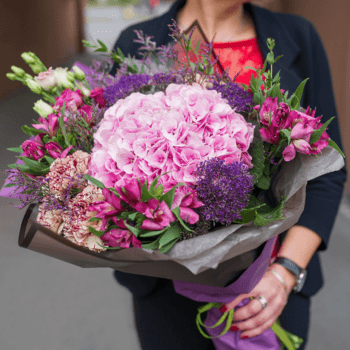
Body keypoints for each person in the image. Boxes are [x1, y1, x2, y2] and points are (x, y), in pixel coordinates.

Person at [108, 0, 347, 349]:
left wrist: (284, 274)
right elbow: (112, 165)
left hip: (271, 285)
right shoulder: (136, 42)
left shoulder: (297, 36)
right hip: (166, 290)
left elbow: (327, 172)